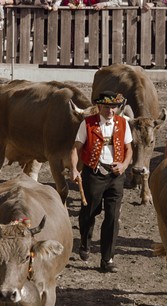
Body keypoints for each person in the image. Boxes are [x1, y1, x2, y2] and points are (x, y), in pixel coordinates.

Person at [69, 91, 133, 273]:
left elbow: (129, 149)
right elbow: (76, 148)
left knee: (112, 217)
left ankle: (107, 259)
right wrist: (74, 169)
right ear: (99, 107)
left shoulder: (123, 123)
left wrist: (124, 165)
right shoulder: (87, 124)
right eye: (107, 107)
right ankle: (85, 241)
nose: (111, 111)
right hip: (94, 174)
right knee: (89, 212)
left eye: (114, 107)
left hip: (116, 175)